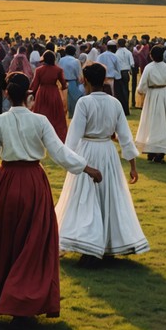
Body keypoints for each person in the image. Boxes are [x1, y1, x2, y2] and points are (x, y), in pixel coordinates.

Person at [0, 72, 102, 321]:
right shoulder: (40, 121)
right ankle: (23, 300)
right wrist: (88, 168)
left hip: (7, 182)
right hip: (33, 183)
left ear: (7, 94)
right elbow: (60, 153)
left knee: (5, 242)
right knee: (33, 243)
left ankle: (8, 297)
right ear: (29, 94)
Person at [55, 63, 149, 263]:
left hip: (87, 151)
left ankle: (89, 247)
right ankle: (107, 244)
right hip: (108, 153)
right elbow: (125, 137)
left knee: (85, 197)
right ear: (105, 79)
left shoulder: (84, 103)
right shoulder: (114, 103)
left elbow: (73, 137)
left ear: (86, 80)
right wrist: (132, 166)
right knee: (108, 196)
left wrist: (68, 160)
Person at [29, 50, 68, 141]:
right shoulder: (58, 70)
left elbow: (34, 85)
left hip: (42, 92)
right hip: (54, 93)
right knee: (55, 115)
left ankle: (40, 134)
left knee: (42, 113)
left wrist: (30, 93)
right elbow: (64, 84)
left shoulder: (39, 70)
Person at [58, 45, 84, 117]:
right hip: (72, 83)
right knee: (74, 104)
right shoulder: (76, 61)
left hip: (61, 83)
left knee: (63, 103)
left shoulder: (61, 60)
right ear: (74, 53)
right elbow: (79, 76)